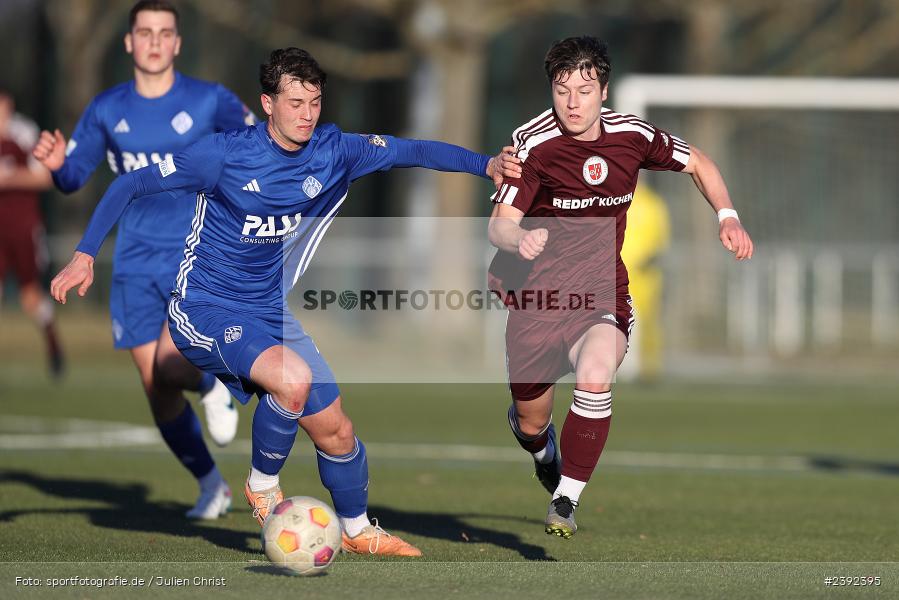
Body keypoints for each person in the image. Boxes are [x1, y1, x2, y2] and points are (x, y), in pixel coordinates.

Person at [50, 47, 517, 557]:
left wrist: (485, 164)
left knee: (337, 430)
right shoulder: (223, 154)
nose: (307, 114)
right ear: (267, 104)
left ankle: (359, 531)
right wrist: (85, 254)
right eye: (295, 103)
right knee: (291, 381)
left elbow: (413, 151)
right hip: (204, 307)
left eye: (315, 102)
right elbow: (131, 182)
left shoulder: (334, 150)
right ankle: (260, 485)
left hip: (268, 310)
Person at [488, 36, 753, 538]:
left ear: (603, 92)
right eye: (561, 89)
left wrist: (728, 216)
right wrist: (519, 236)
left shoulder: (633, 135)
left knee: (594, 375)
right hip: (537, 299)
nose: (572, 102)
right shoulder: (532, 143)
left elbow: (698, 161)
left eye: (584, 90)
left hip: (601, 291)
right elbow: (499, 224)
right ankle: (544, 453)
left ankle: (565, 499)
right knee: (530, 421)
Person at [32, 0, 253, 520]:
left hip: (197, 253)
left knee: (171, 365)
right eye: (145, 32)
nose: (154, 41)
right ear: (128, 42)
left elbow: (254, 147)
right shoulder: (107, 108)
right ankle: (211, 485)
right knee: (155, 385)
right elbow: (73, 178)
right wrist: (58, 164)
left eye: (165, 33)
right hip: (133, 259)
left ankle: (214, 383)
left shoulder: (209, 100)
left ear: (178, 43)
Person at [0, 90, 64, 377]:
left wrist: (10, 177)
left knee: (30, 295)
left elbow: (44, 177)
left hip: (23, 226)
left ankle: (53, 347)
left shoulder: (25, 133)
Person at [618, 183, 671, 381]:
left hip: (644, 278)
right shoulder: (609, 198)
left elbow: (660, 242)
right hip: (612, 276)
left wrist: (648, 260)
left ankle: (649, 371)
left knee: (648, 323)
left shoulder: (653, 204)